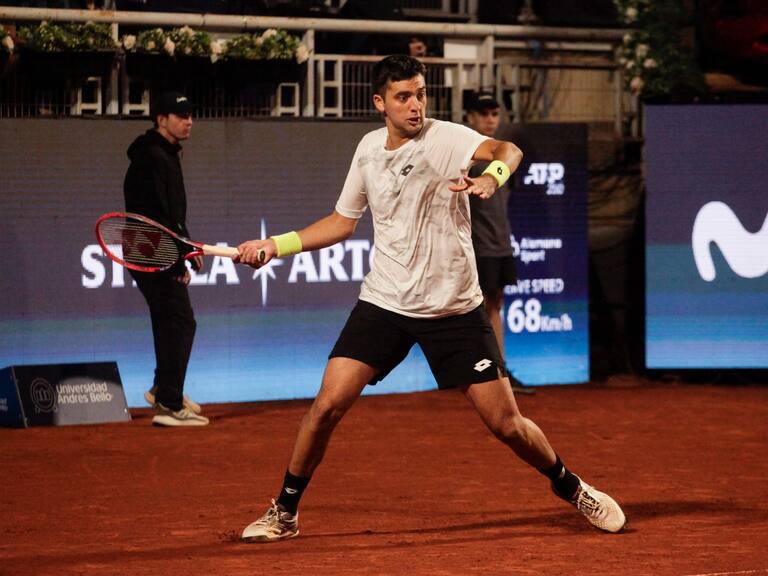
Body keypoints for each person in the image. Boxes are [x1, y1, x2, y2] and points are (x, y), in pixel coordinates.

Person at [235, 55, 625, 541]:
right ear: (380, 103)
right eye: (403, 96)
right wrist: (277, 245)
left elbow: (510, 149)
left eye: (420, 93)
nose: (416, 105)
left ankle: (571, 487)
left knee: (507, 426)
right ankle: (285, 512)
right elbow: (341, 222)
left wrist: (490, 178)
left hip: (455, 309)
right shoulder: (368, 150)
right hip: (386, 303)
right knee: (327, 406)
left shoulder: (449, 137)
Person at [123, 90, 208, 427]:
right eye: (180, 116)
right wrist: (176, 256)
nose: (189, 121)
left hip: (158, 249)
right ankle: (169, 404)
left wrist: (184, 249)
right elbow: (155, 214)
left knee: (168, 318)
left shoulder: (166, 153)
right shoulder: (153, 157)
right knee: (179, 320)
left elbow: (172, 212)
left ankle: (164, 387)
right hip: (151, 250)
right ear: (161, 119)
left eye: (190, 115)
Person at [465, 90, 534, 395]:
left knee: (495, 306)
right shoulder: (465, 156)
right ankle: (483, 371)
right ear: (470, 117)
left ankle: (499, 369)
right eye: (484, 114)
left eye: (494, 114)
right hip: (477, 247)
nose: (490, 120)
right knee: (475, 308)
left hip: (500, 245)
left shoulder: (503, 157)